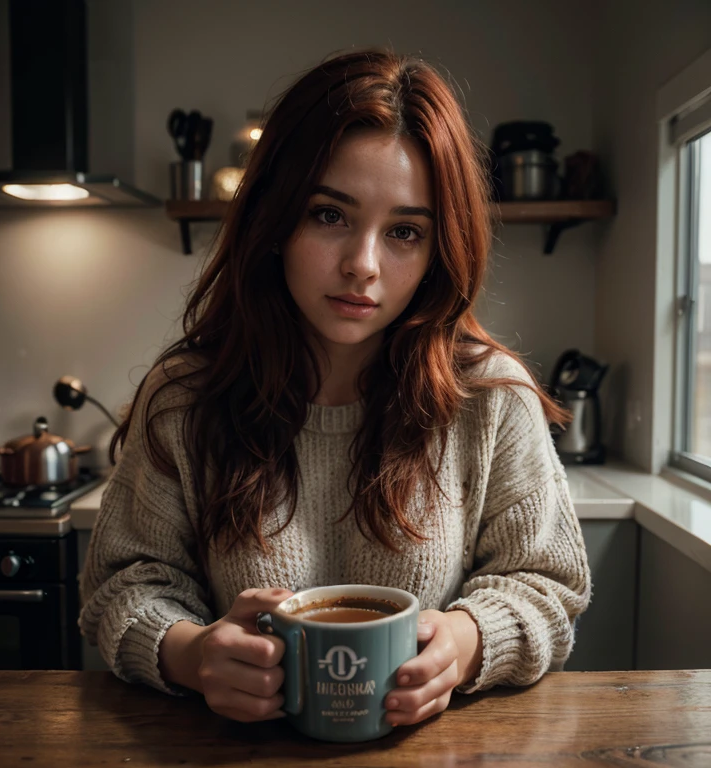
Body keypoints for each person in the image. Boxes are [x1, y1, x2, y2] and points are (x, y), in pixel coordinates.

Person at [79, 48, 591, 728]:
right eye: (330, 215)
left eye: (405, 232)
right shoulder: (184, 397)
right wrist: (191, 653)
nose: (363, 265)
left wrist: (466, 643)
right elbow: (123, 583)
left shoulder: (492, 397)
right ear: (274, 218)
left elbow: (548, 585)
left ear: (440, 252)